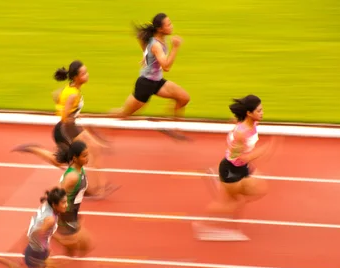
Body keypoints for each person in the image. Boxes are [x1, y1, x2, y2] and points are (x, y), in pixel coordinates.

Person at [13, 60, 118, 199]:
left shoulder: (72, 89)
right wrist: (82, 127)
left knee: (88, 153)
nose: (87, 75)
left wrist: (77, 118)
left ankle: (98, 187)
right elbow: (65, 117)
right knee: (83, 155)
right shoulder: (73, 94)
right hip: (65, 130)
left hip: (70, 128)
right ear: (76, 77)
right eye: (84, 73)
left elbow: (58, 97)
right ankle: (97, 189)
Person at [193, 95, 281, 240]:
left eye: (262, 110)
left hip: (240, 167)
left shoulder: (251, 123)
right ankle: (201, 224)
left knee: (258, 190)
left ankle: (231, 225)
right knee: (234, 203)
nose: (262, 113)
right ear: (249, 113)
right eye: (259, 111)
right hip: (232, 171)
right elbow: (239, 158)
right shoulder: (241, 133)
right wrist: (267, 148)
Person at [111, 13, 191, 139]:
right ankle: (92, 122)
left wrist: (145, 54)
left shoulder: (156, 37)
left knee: (183, 98)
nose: (172, 26)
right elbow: (166, 67)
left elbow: (140, 35)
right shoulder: (156, 45)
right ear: (160, 29)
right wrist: (175, 47)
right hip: (145, 84)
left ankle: (175, 129)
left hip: (157, 82)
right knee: (123, 114)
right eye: (168, 24)